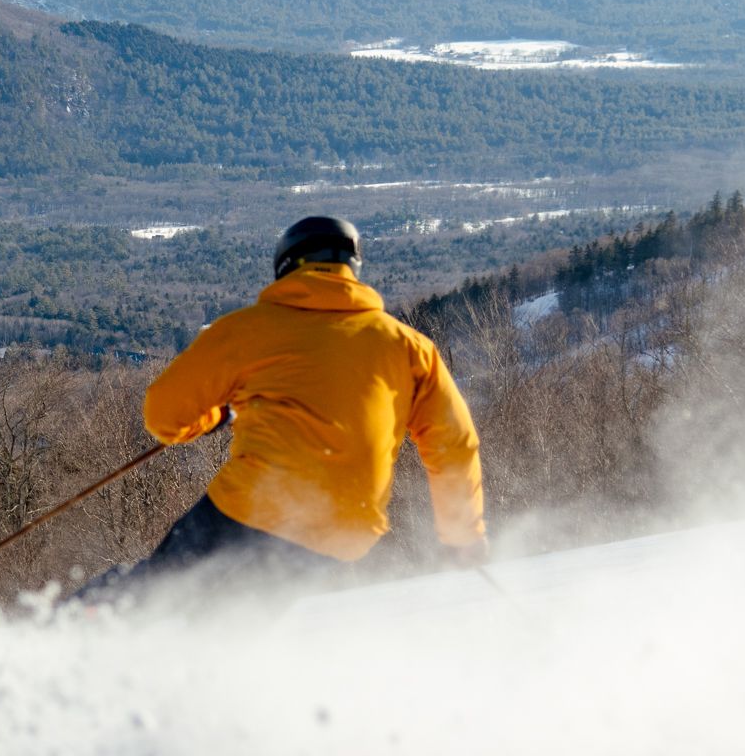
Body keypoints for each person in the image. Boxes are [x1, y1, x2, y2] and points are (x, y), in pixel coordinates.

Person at [81, 216, 486, 603]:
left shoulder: (248, 330)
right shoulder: (409, 347)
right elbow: (454, 444)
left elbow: (163, 413)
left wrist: (217, 417)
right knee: (243, 620)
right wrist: (462, 536)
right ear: (352, 268)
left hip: (258, 504)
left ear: (287, 266)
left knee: (158, 592)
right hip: (348, 529)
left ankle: (74, 634)